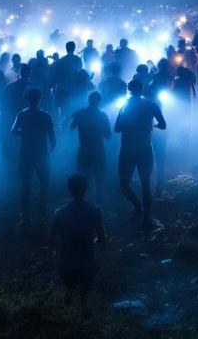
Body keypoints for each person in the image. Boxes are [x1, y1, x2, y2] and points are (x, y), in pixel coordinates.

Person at [115, 79, 167, 230]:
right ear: (142, 89)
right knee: (146, 183)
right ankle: (147, 217)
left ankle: (138, 206)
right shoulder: (151, 105)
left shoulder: (125, 106)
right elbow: (163, 125)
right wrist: (153, 125)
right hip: (145, 147)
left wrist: (127, 122)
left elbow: (117, 128)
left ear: (129, 89)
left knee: (124, 184)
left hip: (127, 148)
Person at [50, 173, 107, 305]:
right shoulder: (95, 211)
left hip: (66, 263)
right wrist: (98, 247)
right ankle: (83, 305)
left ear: (69, 189)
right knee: (84, 295)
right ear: (86, 188)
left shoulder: (59, 212)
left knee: (69, 290)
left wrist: (56, 253)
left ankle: (69, 303)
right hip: (87, 262)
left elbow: (52, 239)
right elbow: (102, 238)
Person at [11, 87, 56, 223]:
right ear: (39, 99)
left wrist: (26, 133)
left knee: (26, 184)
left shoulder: (22, 114)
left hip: (26, 153)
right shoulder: (46, 116)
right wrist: (51, 152)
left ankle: (25, 214)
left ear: (27, 99)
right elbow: (52, 137)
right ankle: (42, 211)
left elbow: (13, 131)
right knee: (44, 183)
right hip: (42, 153)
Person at [69, 91, 112, 207]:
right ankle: (98, 205)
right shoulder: (102, 115)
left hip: (84, 150)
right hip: (98, 149)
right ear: (99, 101)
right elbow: (108, 136)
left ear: (89, 100)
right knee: (99, 178)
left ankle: (82, 204)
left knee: (82, 178)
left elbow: (71, 127)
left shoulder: (79, 113)